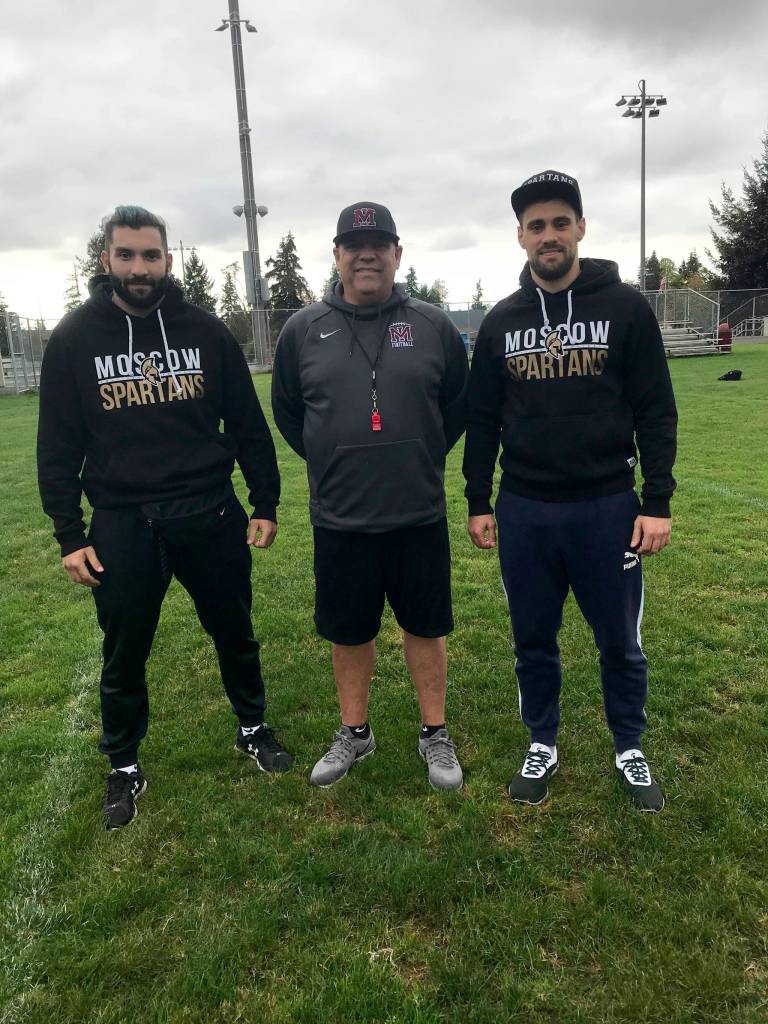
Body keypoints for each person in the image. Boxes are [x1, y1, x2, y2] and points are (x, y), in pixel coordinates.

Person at [37, 205, 293, 830]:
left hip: (209, 511)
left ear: (167, 261)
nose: (139, 267)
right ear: (107, 261)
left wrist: (264, 501)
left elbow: (248, 422)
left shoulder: (203, 330)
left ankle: (253, 726)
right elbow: (57, 443)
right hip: (124, 522)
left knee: (234, 630)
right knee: (125, 651)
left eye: (150, 255)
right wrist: (70, 534)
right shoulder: (75, 337)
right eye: (126, 255)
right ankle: (123, 763)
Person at [463, 171, 677, 812]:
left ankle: (630, 747)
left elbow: (655, 409)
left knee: (619, 639)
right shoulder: (502, 322)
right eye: (536, 225)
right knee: (532, 637)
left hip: (607, 505)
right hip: (525, 508)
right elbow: (481, 420)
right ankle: (542, 741)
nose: (549, 235)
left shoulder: (626, 307)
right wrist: (478, 499)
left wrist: (657, 501)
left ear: (581, 227)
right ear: (521, 237)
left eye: (560, 222)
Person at [271, 202, 468, 791]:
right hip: (342, 516)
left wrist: (421, 452)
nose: (366, 254)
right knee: (349, 632)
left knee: (425, 627)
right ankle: (355, 732)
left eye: (379, 244)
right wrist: (333, 458)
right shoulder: (302, 329)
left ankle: (434, 732)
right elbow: (289, 413)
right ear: (336, 255)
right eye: (353, 244)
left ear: (397, 255)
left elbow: (457, 405)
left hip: (417, 512)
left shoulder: (432, 325)